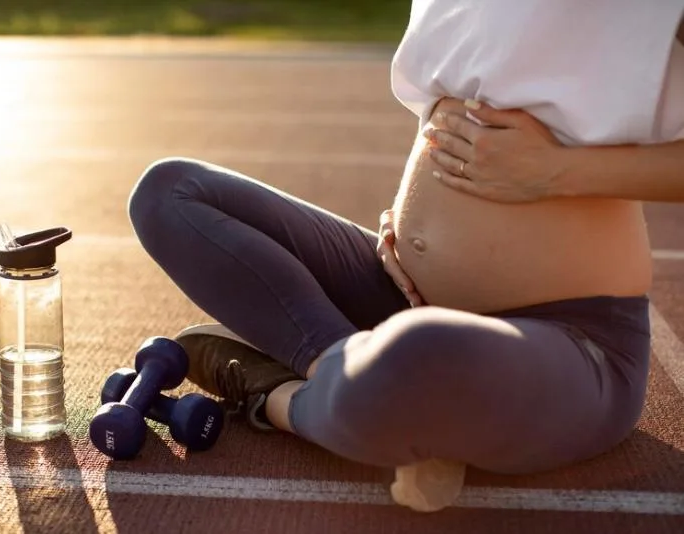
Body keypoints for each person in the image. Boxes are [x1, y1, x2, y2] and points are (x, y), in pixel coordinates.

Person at [127, 0, 684, 490]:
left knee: (419, 352)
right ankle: (341, 371)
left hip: (570, 342)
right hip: (404, 289)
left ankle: (276, 395)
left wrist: (555, 172)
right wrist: (418, 214)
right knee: (169, 193)